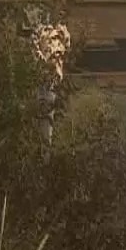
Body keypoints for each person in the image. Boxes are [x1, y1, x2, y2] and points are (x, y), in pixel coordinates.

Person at [31, 16, 71, 152]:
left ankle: (44, 151)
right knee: (45, 115)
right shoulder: (56, 32)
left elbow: (35, 48)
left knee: (45, 114)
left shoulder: (51, 32)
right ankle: (44, 151)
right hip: (47, 78)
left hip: (48, 78)